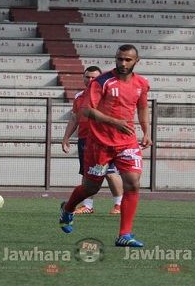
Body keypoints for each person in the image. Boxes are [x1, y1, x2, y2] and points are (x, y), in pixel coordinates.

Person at [59, 44, 152, 248]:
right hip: (99, 143)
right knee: (90, 187)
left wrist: (146, 132)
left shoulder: (141, 84)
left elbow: (143, 108)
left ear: (137, 60)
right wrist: (114, 122)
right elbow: (86, 111)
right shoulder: (102, 81)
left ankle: (124, 235)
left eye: (128, 59)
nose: (123, 63)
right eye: (120, 59)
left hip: (127, 142)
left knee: (133, 183)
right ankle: (68, 208)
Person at [62, 65, 124, 215]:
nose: (90, 80)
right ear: (83, 78)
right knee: (87, 174)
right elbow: (75, 118)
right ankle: (88, 206)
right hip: (84, 140)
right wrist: (66, 138)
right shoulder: (79, 97)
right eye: (87, 77)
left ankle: (119, 205)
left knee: (109, 172)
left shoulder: (108, 96)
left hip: (103, 141)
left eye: (93, 77)